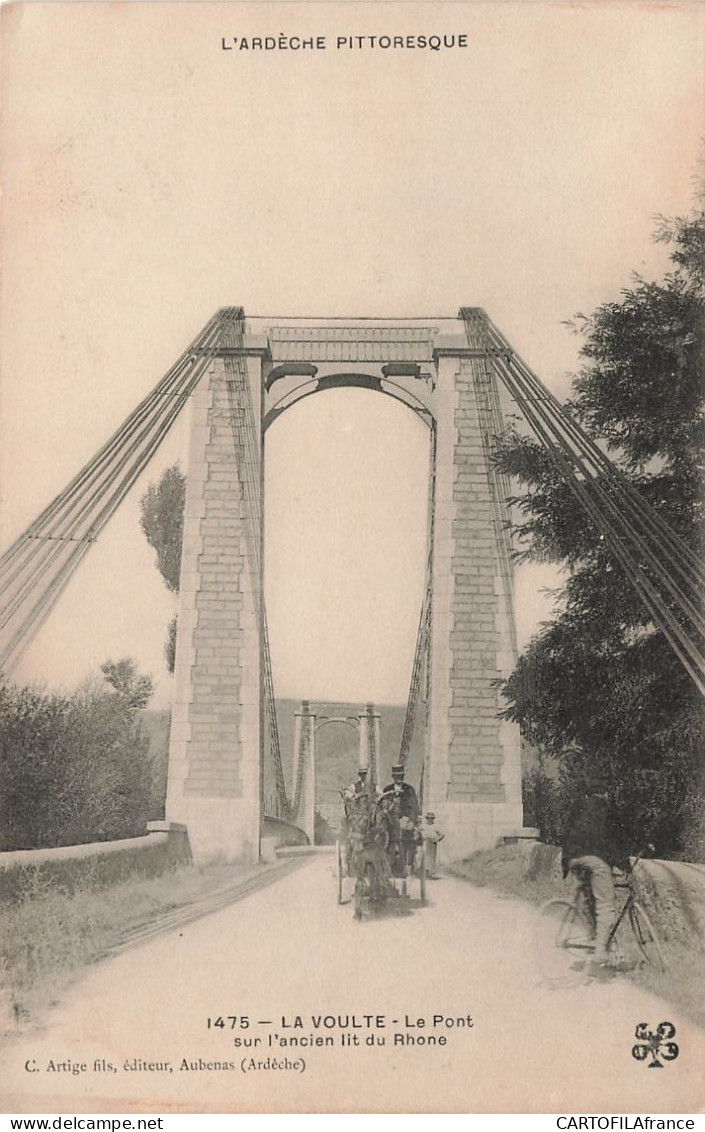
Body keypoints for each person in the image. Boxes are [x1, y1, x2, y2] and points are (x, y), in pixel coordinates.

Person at [560, 775, 629, 977]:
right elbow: (613, 841)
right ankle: (600, 951)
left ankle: (593, 937)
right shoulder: (606, 809)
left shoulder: (579, 806)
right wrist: (625, 866)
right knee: (606, 904)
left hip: (572, 859)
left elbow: (566, 832)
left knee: (589, 898)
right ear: (605, 793)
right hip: (594, 860)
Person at [381, 764, 419, 874]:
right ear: (393, 777)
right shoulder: (387, 789)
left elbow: (414, 807)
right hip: (389, 820)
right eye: (396, 776)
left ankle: (407, 863)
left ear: (403, 776)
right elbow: (383, 805)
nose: (398, 778)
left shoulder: (409, 790)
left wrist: (410, 819)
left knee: (406, 835)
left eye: (400, 776)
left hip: (404, 819)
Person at [418, 811, 444, 879]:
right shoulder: (424, 826)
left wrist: (436, 839)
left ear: (433, 819)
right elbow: (418, 831)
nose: (430, 820)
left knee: (432, 858)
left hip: (432, 843)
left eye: (431, 818)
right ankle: (424, 873)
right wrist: (420, 837)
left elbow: (442, 834)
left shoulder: (435, 826)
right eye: (428, 818)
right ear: (427, 819)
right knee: (424, 857)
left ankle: (431, 873)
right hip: (425, 841)